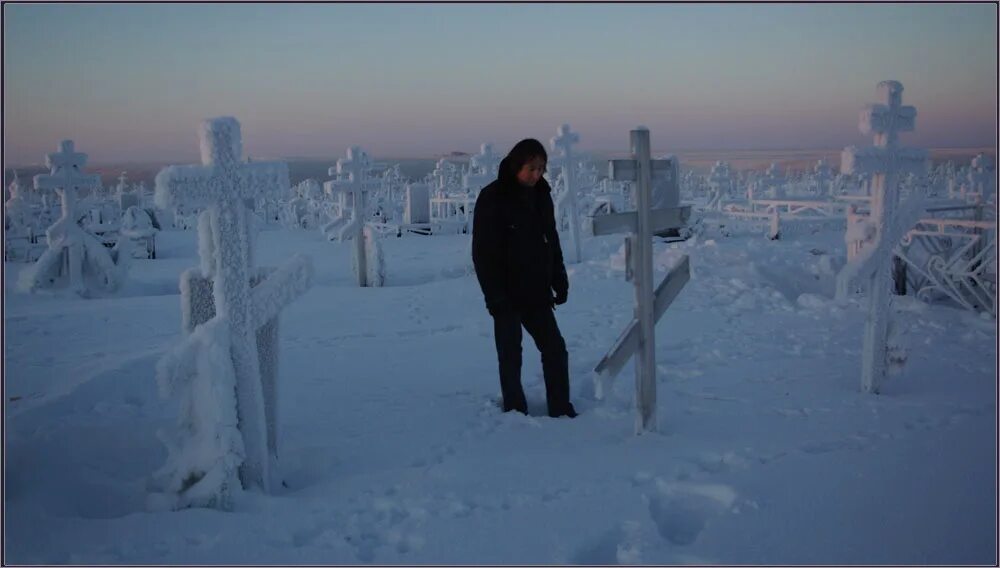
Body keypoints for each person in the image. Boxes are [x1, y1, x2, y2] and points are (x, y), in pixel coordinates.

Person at [472, 138, 578, 418]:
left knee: (555, 349)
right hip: (505, 293)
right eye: (531, 168)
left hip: (536, 291)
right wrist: (494, 297)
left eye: (541, 168)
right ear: (516, 165)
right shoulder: (493, 197)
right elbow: (483, 254)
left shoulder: (542, 195)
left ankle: (560, 407)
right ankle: (515, 412)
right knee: (511, 355)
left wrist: (559, 278)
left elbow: (550, 240)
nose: (536, 174)